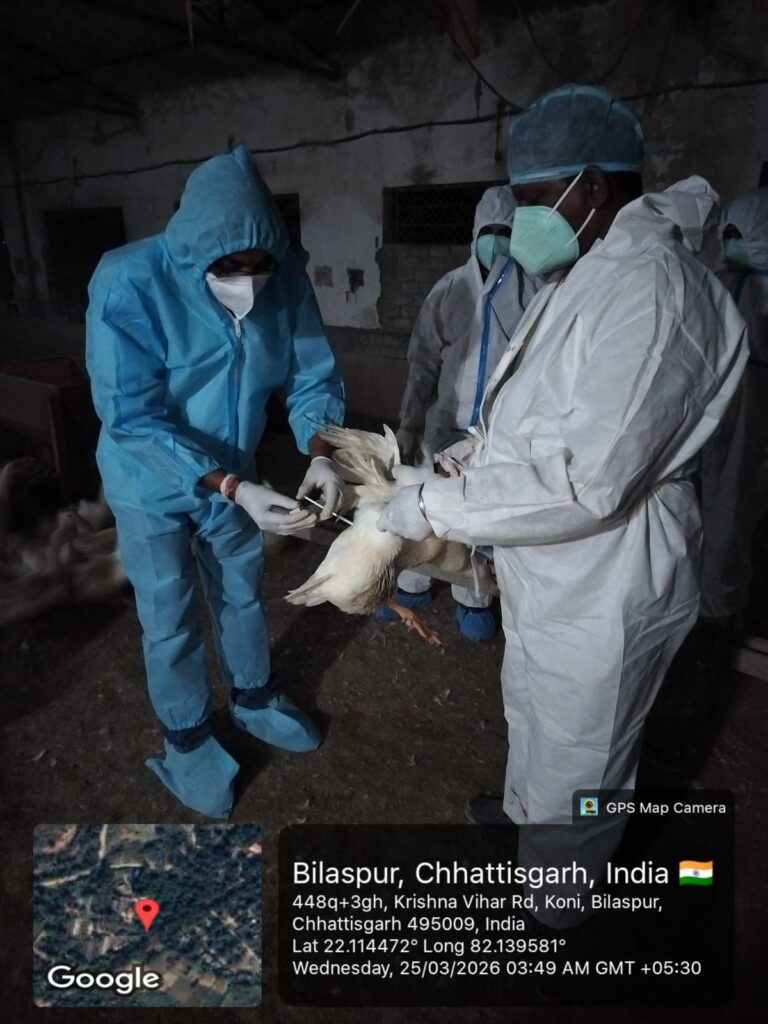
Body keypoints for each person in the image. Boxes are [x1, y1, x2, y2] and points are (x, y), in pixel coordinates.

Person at [378, 84, 747, 925]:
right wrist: (437, 471)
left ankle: (557, 900)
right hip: (554, 563)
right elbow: (519, 424)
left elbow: (590, 481)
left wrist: (437, 509)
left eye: (537, 198)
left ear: (591, 186)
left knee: (585, 747)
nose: (524, 219)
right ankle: (525, 819)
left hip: (610, 571)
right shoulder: (585, 276)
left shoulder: (655, 293)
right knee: (534, 704)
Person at [86, 146, 345, 819]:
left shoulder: (284, 281)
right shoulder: (129, 281)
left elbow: (311, 375)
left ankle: (253, 696)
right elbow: (131, 415)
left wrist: (320, 453)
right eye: (230, 268)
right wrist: (231, 486)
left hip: (236, 468)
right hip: (150, 481)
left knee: (240, 591)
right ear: (194, 250)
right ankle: (188, 740)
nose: (249, 282)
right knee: (168, 613)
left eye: (260, 267)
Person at [378, 186, 540, 641]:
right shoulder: (449, 289)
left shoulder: (534, 292)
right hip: (441, 426)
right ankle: (414, 583)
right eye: (489, 230)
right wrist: (408, 424)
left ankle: (474, 598)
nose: (496, 239)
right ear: (474, 234)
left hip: (495, 433)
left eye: (505, 230)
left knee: (478, 515)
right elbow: (423, 363)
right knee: (421, 506)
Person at [700, 187, 768, 622]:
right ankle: (703, 601)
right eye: (727, 235)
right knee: (708, 506)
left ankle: (721, 611)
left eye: (738, 236)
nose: (730, 244)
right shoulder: (718, 283)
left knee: (734, 511)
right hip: (714, 414)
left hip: (750, 417)